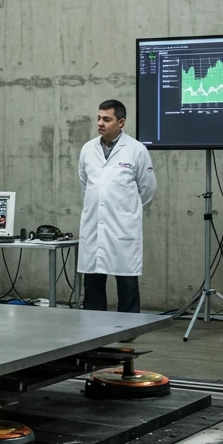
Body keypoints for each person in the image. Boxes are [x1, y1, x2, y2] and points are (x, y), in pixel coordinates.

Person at [78, 98, 156, 313]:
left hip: (123, 227)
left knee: (127, 283)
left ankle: (128, 329)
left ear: (121, 122)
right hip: (94, 225)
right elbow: (86, 184)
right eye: (98, 119)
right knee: (92, 283)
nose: (100, 123)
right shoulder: (87, 149)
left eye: (107, 119)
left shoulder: (136, 150)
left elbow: (147, 189)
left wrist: (128, 212)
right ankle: (93, 328)